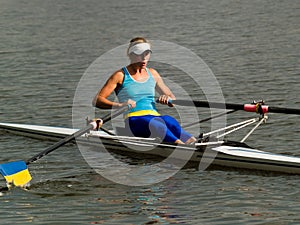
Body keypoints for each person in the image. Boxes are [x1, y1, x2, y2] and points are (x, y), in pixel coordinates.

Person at [92, 37, 196, 144]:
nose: (144, 58)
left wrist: (168, 99)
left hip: (154, 117)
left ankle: (194, 143)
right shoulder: (120, 75)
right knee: (156, 124)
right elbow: (97, 100)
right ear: (131, 55)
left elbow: (171, 97)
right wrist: (120, 105)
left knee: (170, 121)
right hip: (133, 121)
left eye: (147, 54)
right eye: (139, 54)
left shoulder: (153, 73)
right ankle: (182, 147)